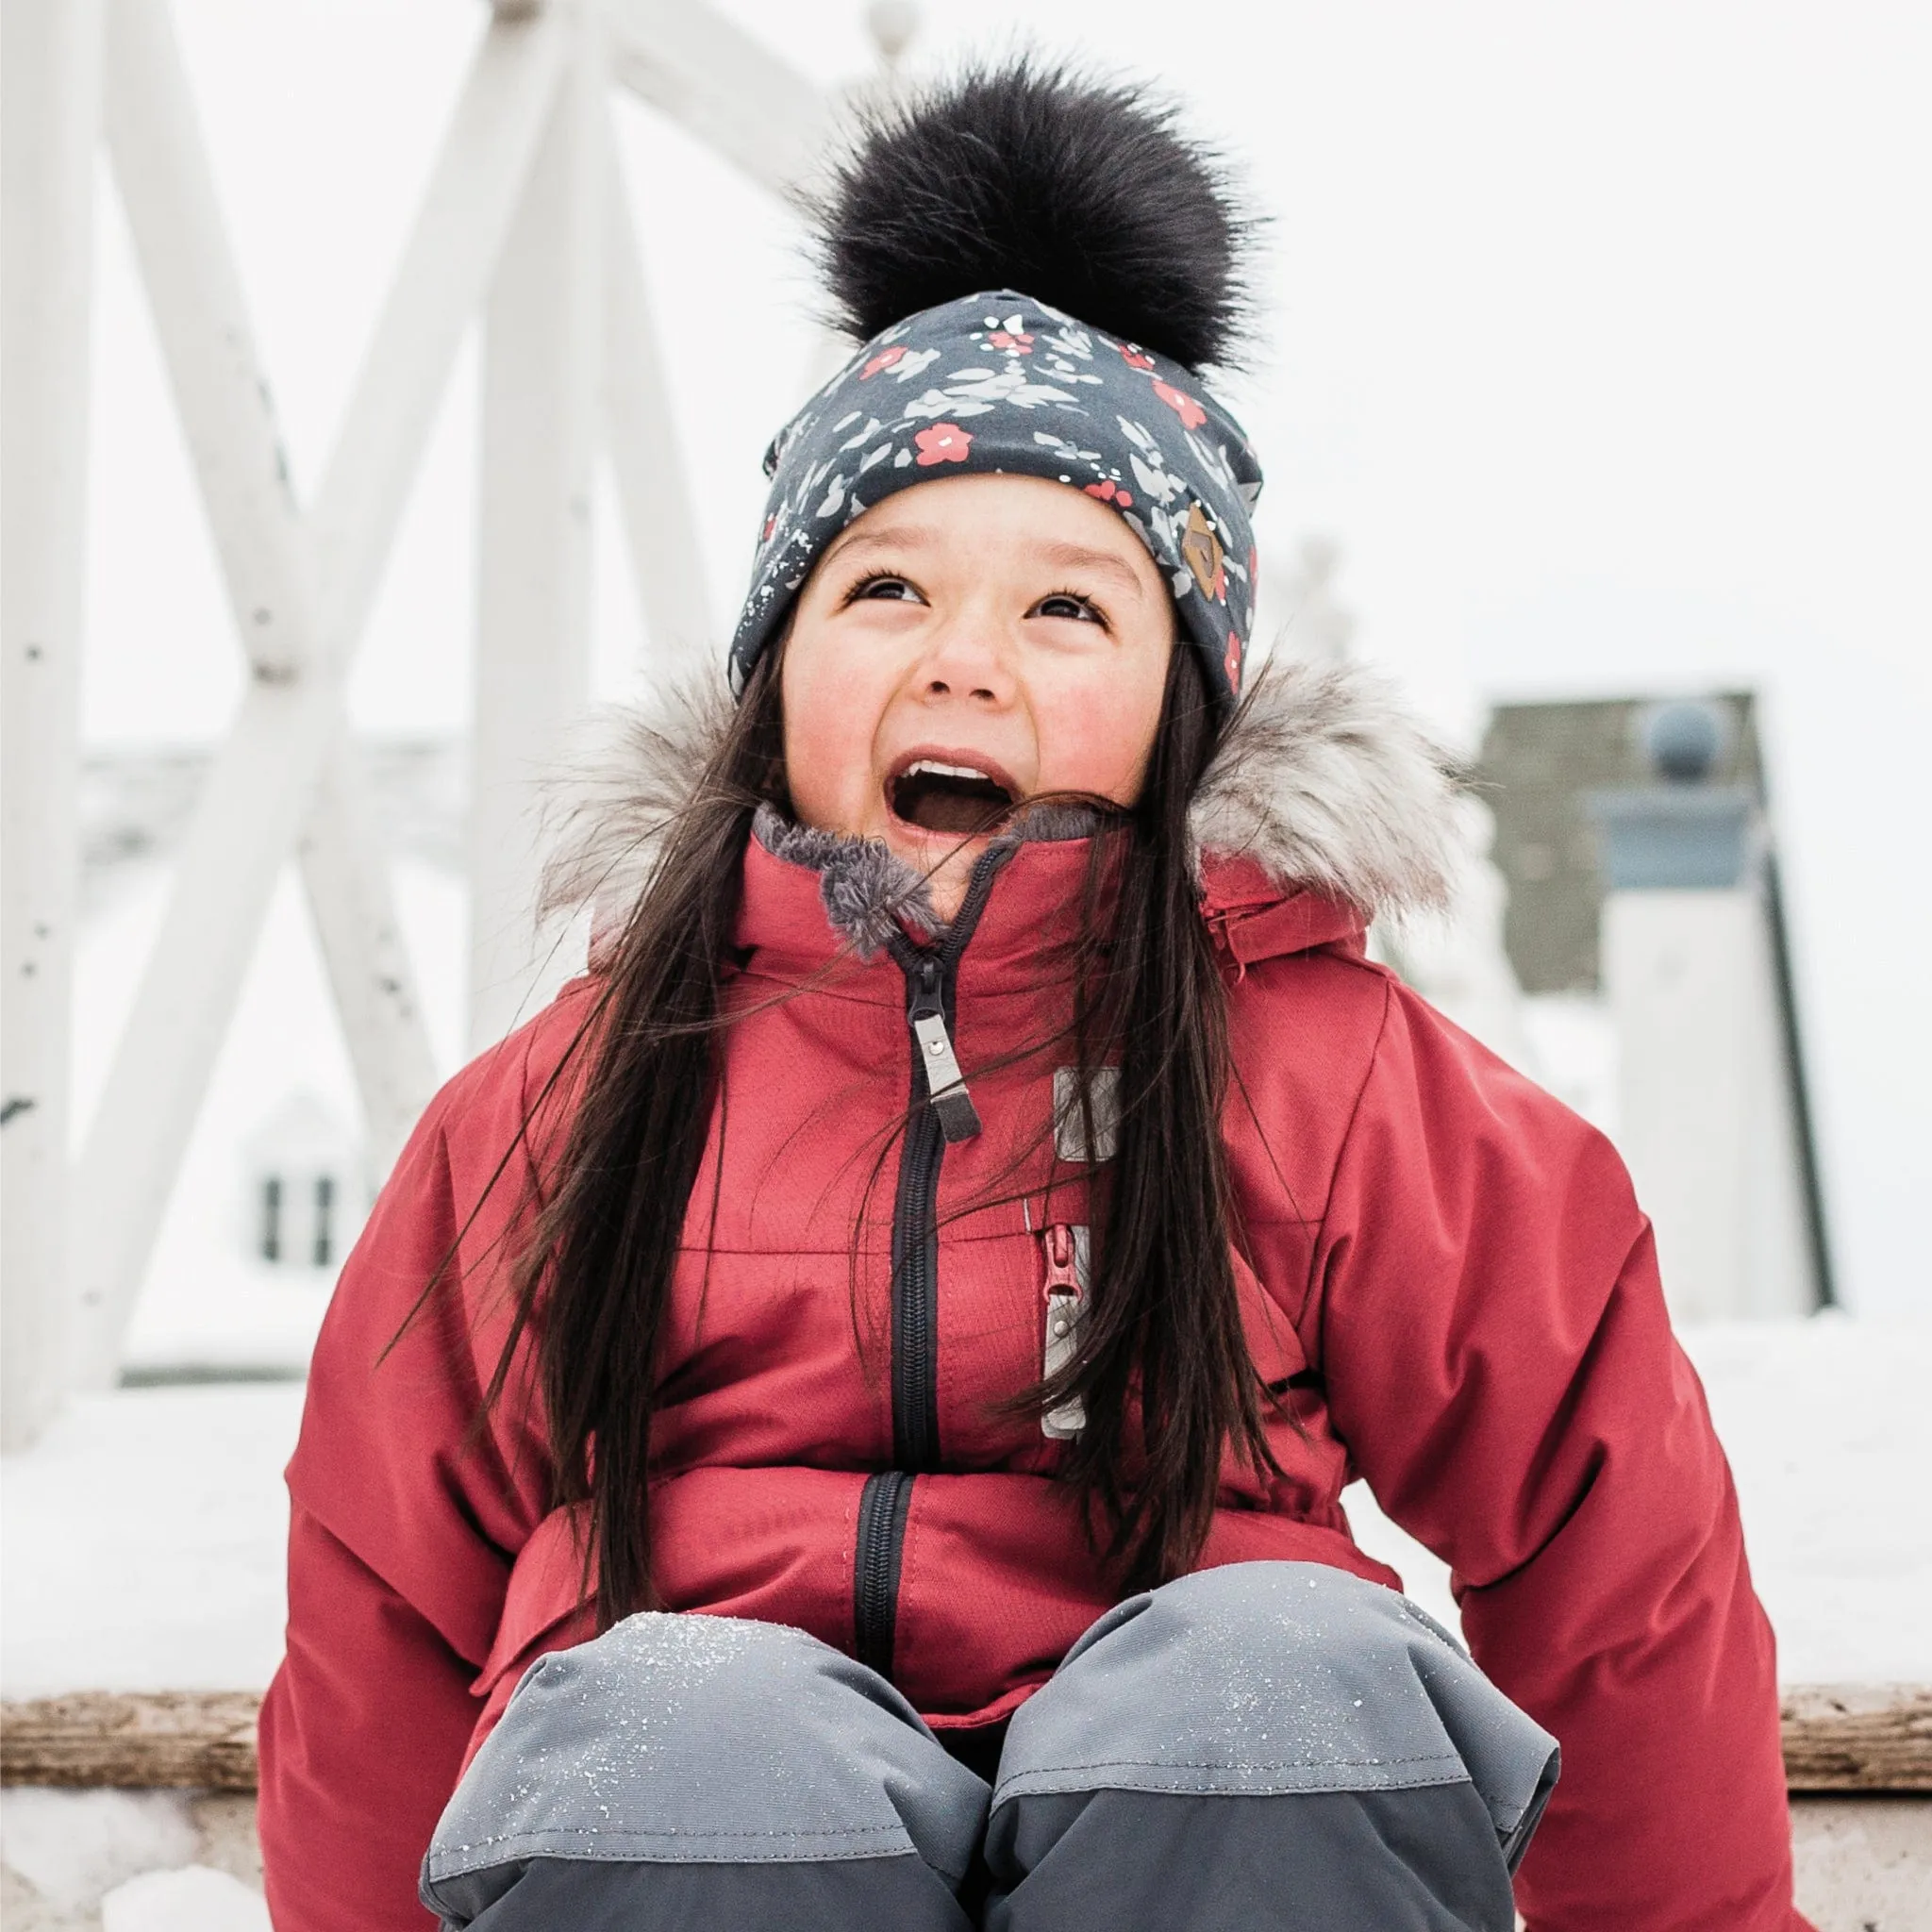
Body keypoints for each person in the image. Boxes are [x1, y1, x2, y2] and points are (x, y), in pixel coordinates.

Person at [257, 59, 1810, 1932]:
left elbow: (1602, 1525)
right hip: (734, 1842)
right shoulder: (578, 1099)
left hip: (1194, 1840)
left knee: (1277, 1690)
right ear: (775, 672)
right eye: (887, 590)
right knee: (685, 1737)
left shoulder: (1319, 1069)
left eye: (1068, 607)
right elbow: (383, 1590)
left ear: (1181, 709)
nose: (966, 660)